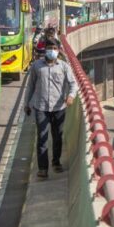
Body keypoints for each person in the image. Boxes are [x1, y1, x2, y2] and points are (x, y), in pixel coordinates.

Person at [25, 39, 78, 178]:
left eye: (54, 48)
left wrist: (71, 96)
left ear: (58, 50)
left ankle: (56, 161)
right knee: (42, 137)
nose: (52, 51)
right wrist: (27, 103)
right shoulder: (37, 66)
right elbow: (30, 86)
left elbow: (73, 84)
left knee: (57, 137)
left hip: (59, 107)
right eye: (49, 48)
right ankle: (43, 168)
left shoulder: (64, 67)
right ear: (45, 50)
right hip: (41, 107)